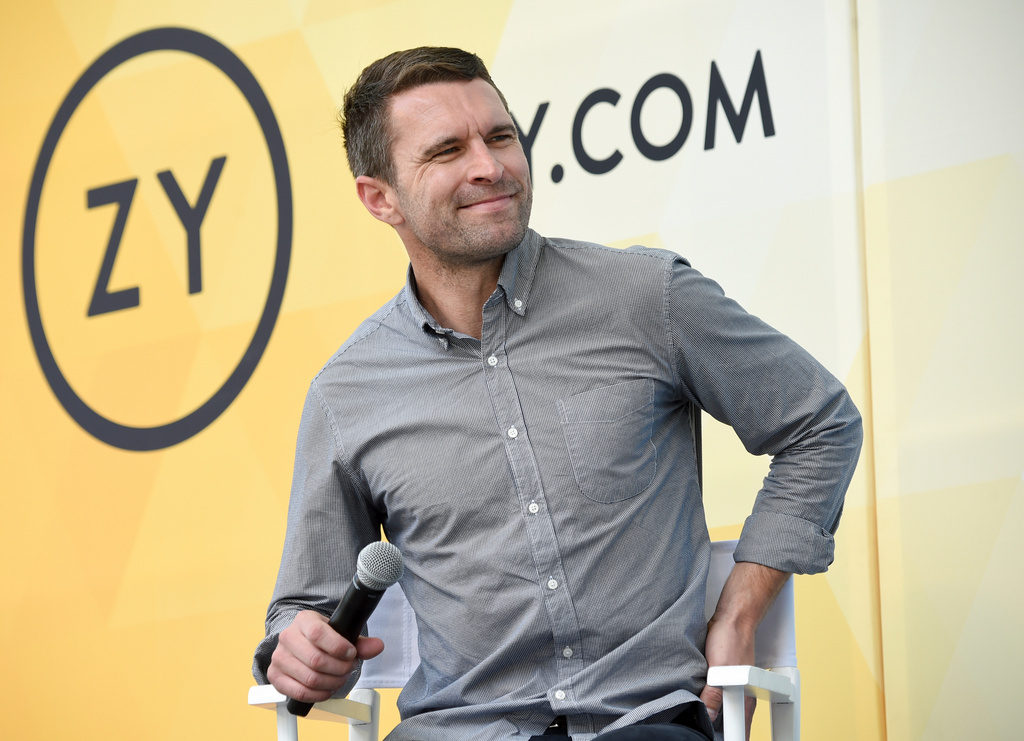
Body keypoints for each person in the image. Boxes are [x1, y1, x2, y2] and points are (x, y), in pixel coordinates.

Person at [253, 47, 862, 741]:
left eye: (501, 136)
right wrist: (299, 650)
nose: (490, 165)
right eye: (448, 150)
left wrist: (741, 608)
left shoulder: (647, 297)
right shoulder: (347, 393)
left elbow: (820, 421)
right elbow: (302, 610)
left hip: (643, 721)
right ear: (379, 197)